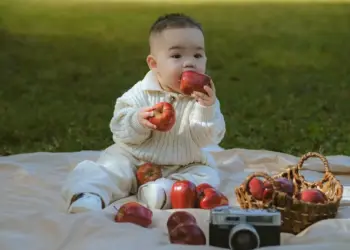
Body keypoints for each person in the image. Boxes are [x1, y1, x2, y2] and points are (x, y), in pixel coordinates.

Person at [61, 13, 226, 213]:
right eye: (176, 56)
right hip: (135, 158)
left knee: (207, 176)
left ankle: (161, 192)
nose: (190, 63)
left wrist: (206, 110)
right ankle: (88, 195)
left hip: (184, 162)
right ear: (154, 64)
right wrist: (137, 121)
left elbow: (208, 140)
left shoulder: (203, 100)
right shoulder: (141, 93)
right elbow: (119, 128)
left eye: (197, 55)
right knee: (109, 168)